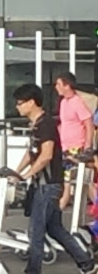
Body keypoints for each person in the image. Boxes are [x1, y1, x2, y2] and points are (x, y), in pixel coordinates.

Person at [12, 83, 98, 274]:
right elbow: (32, 153)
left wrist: (25, 176)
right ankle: (88, 266)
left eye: (20, 103)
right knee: (55, 229)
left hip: (48, 186)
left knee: (36, 231)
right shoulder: (36, 125)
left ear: (32, 102)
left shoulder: (46, 124)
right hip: (43, 185)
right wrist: (16, 172)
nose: (17, 107)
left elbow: (46, 156)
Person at [54, 72, 93, 210]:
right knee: (75, 181)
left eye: (59, 84)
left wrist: (87, 147)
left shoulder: (77, 102)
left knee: (73, 181)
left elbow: (88, 123)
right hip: (66, 147)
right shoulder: (63, 102)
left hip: (77, 147)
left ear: (67, 85)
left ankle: (57, 210)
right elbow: (64, 124)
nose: (56, 87)